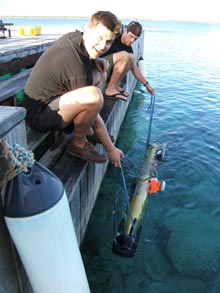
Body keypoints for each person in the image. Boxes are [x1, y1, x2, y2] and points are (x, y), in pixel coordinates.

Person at [23, 11, 124, 167]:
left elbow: (88, 58)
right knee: (94, 96)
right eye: (99, 38)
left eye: (109, 41)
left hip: (55, 99)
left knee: (100, 73)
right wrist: (111, 149)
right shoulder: (73, 61)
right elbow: (92, 105)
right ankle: (78, 143)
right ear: (88, 30)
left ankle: (87, 129)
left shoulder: (76, 37)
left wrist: (96, 59)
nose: (103, 46)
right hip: (40, 114)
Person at [101, 21, 154, 101]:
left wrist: (147, 85)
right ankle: (110, 89)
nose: (132, 40)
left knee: (131, 57)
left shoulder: (128, 48)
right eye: (131, 36)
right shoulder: (114, 36)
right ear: (125, 30)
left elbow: (134, 69)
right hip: (99, 69)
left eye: (135, 39)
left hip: (107, 70)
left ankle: (114, 86)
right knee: (124, 55)